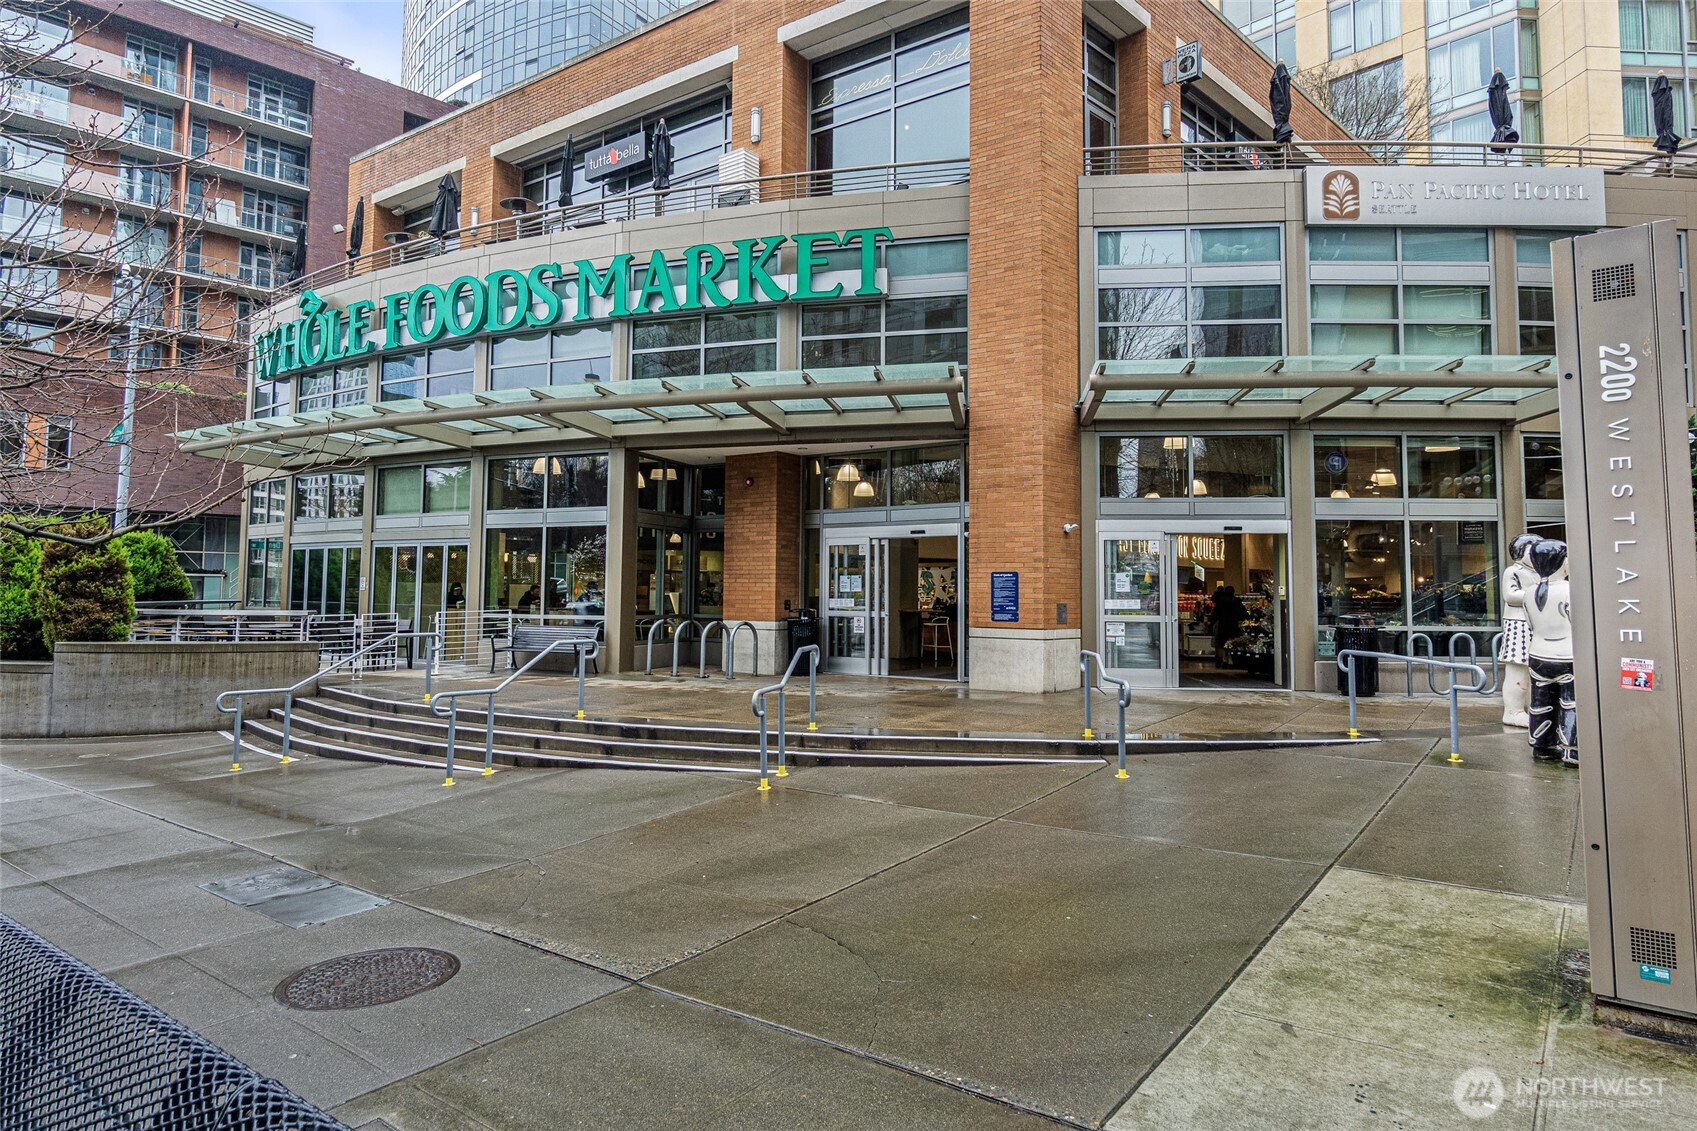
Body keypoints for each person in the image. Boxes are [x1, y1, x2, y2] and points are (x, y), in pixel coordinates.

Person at [1524, 539, 1576, 766]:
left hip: (1538, 655)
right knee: (1571, 702)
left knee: (1541, 701)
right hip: (1566, 655)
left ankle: (1542, 745)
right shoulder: (1568, 591)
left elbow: (1531, 625)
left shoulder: (1529, 593)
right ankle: (1572, 750)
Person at [1498, 534, 1538, 727]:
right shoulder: (1513, 571)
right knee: (1518, 670)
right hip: (1518, 624)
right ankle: (1513, 711)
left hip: (1537, 624)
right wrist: (1537, 593)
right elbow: (1510, 594)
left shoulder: (1540, 572)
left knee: (1535, 670)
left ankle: (1535, 708)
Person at [1209, 585, 1245, 669]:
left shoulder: (1220, 602)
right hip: (1233, 625)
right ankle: (1231, 660)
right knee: (1233, 642)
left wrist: (1211, 624)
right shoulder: (1237, 602)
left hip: (1222, 625)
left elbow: (1215, 614)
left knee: (1221, 643)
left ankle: (1223, 659)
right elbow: (1242, 613)